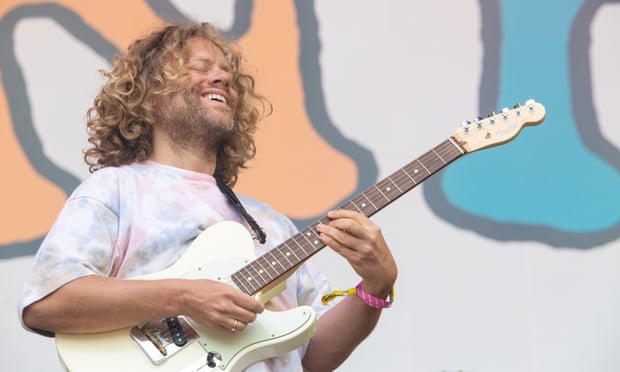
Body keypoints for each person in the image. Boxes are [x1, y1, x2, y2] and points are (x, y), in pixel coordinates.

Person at [19, 22, 397, 372]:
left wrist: (376, 287)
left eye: (228, 74)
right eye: (199, 67)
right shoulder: (115, 190)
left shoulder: (272, 224)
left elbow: (312, 358)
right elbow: (46, 303)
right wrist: (183, 297)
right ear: (149, 93)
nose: (223, 77)